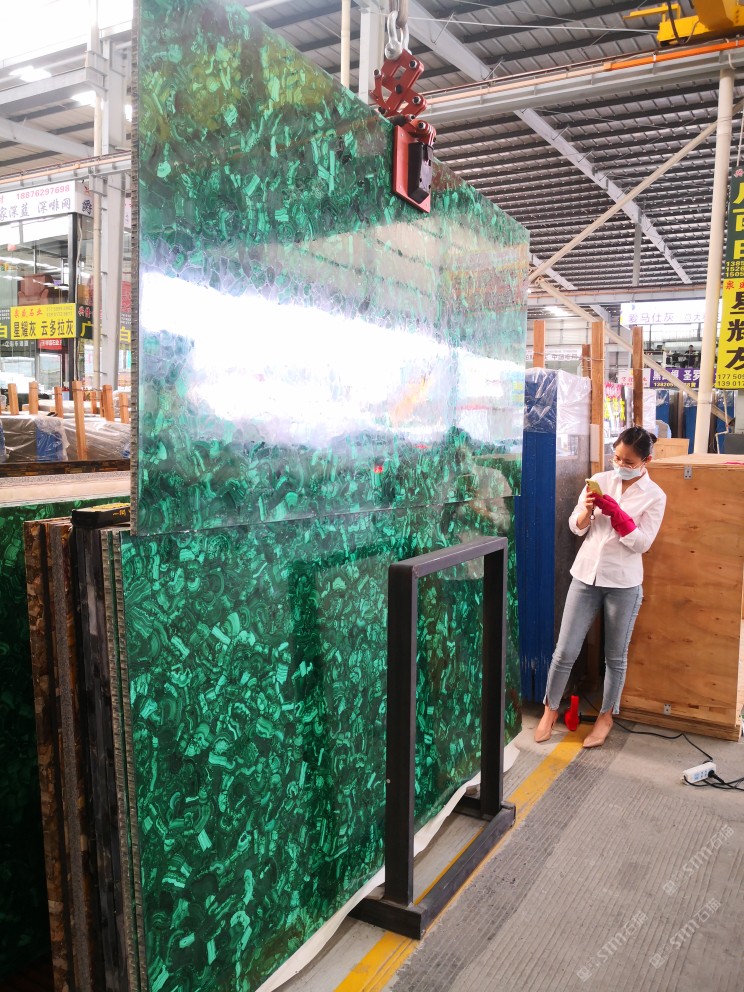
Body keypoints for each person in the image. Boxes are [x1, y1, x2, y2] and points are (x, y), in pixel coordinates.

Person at [534, 426, 666, 748]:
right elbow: (575, 526)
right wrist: (588, 512)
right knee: (565, 650)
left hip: (623, 583)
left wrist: (619, 516)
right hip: (586, 575)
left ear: (646, 461)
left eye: (628, 461)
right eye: (616, 457)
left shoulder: (655, 496)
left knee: (614, 657)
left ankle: (606, 717)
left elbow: (643, 543)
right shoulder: (600, 480)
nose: (620, 464)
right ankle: (550, 709)